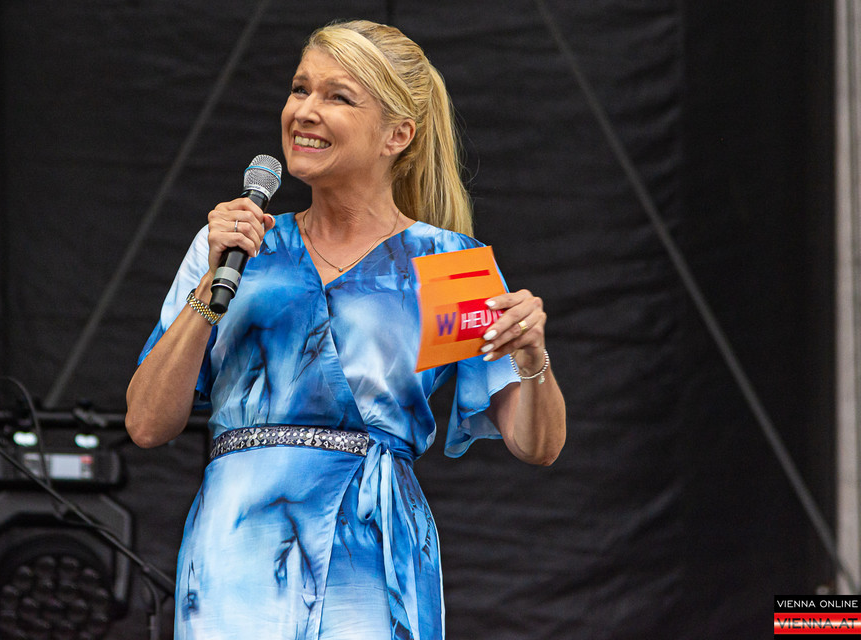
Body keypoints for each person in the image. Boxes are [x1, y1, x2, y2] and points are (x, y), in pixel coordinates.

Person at [125, 19, 566, 640]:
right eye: (299, 89)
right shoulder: (235, 247)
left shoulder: (449, 267)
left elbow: (536, 444)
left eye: (337, 96)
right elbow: (147, 424)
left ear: (397, 135)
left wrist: (532, 357)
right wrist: (209, 289)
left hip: (372, 557)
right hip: (238, 553)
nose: (305, 111)